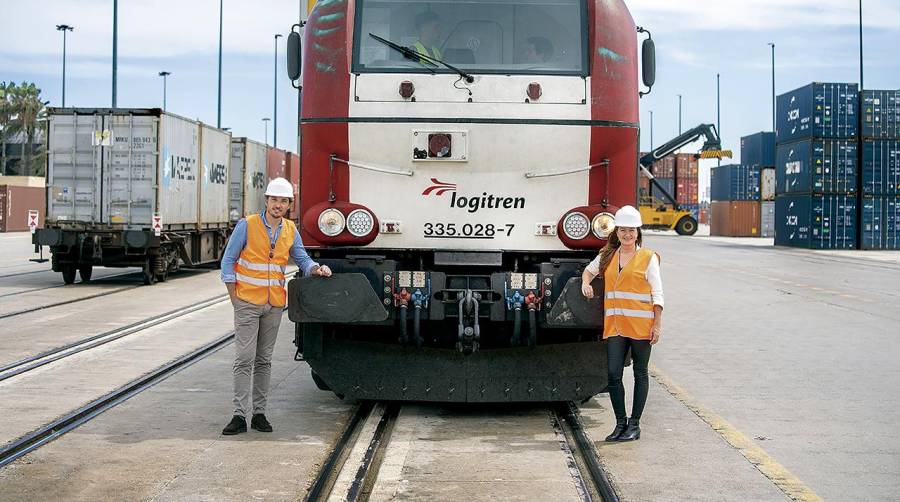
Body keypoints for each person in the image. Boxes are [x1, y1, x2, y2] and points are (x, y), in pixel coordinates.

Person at [220, 177, 332, 436]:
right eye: (274, 200)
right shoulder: (246, 225)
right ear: (266, 201)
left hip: (273, 304)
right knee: (244, 359)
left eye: (283, 201)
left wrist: (316, 268)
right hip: (247, 301)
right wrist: (234, 299)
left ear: (289, 204)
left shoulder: (290, 230)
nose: (278, 205)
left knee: (264, 361)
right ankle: (239, 415)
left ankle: (259, 414)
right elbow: (228, 263)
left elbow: (301, 257)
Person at [580, 205, 663, 442]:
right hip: (615, 326)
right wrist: (586, 283)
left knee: (640, 373)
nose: (627, 235)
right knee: (613, 374)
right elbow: (589, 271)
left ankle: (634, 425)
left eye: (631, 230)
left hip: (640, 327)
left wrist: (657, 324)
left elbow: (658, 294)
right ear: (616, 232)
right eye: (623, 230)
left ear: (638, 232)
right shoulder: (608, 256)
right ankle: (620, 424)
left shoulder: (648, 258)